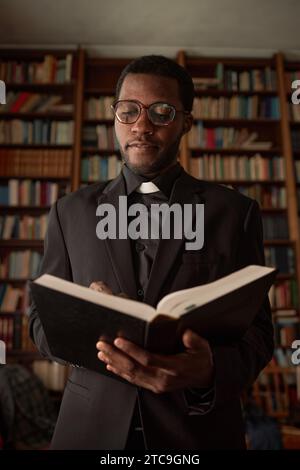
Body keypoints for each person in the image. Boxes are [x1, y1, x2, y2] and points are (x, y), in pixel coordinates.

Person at [29, 55, 274, 450]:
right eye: (128, 111)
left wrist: (207, 370)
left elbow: (260, 334)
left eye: (161, 112)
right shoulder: (68, 212)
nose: (141, 126)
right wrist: (86, 329)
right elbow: (39, 319)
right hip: (89, 432)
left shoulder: (236, 214)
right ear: (114, 118)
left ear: (186, 123)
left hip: (197, 435)